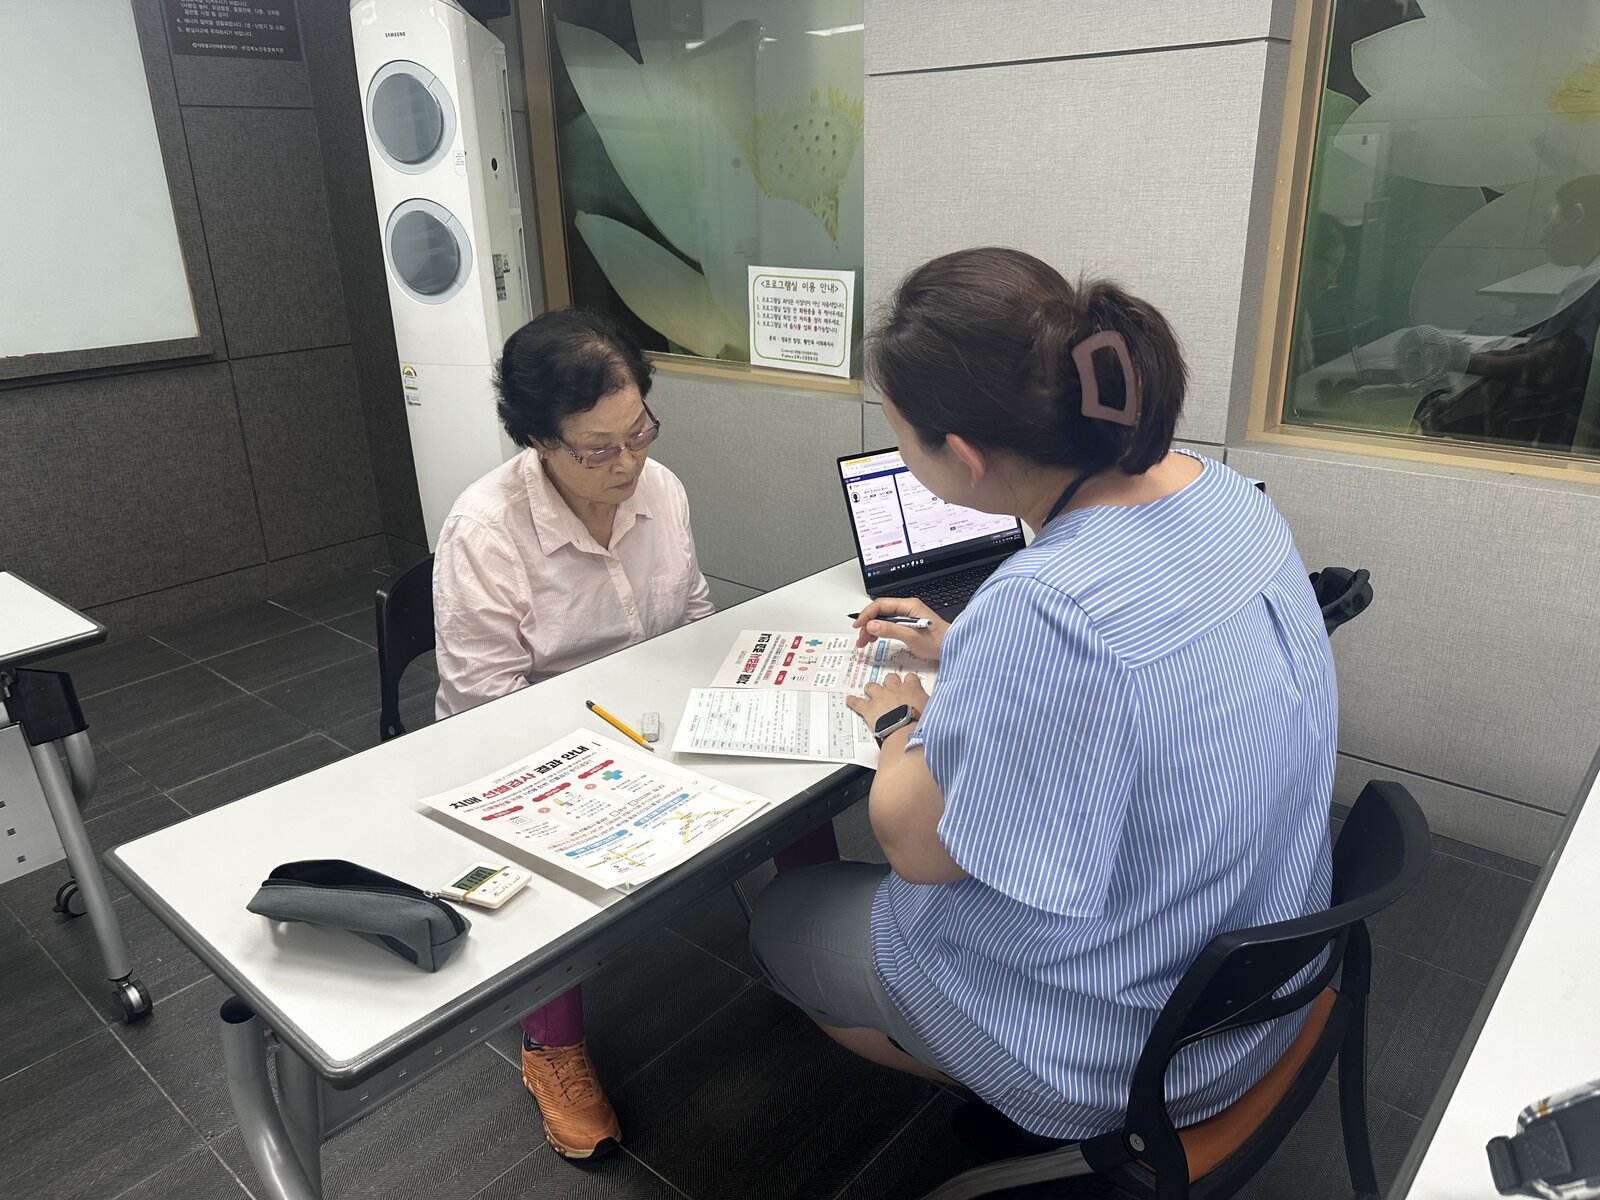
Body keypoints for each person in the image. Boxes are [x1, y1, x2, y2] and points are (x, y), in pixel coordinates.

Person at [748, 248, 1336, 1147]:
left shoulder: (1044, 607)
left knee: (783, 920)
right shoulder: (1222, 493)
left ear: (963, 456)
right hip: (1267, 985)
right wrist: (969, 649)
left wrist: (900, 720)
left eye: (900, 435)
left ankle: (1003, 1090)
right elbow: (1139, 662)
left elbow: (916, 848)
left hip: (1129, 1055)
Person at [433, 308, 838, 1161]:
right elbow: (485, 705)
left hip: (649, 719)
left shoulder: (661, 489)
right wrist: (610, 757)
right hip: (530, 746)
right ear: (538, 439)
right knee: (546, 859)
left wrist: (719, 698)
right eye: (598, 449)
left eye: (639, 432)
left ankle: (819, 942)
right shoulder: (485, 531)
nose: (628, 464)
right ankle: (551, 1047)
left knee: (804, 763)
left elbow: (691, 614)